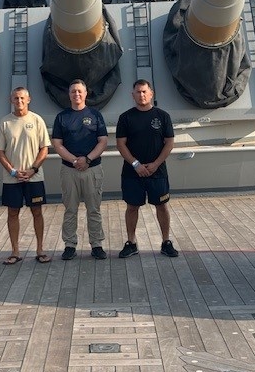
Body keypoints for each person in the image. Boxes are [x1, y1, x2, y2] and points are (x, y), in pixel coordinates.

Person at [116, 79, 179, 258]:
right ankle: (131, 242)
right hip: (132, 172)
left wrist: (155, 164)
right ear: (132, 95)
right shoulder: (126, 117)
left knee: (162, 206)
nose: (141, 95)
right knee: (132, 207)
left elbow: (169, 143)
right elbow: (121, 144)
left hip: (157, 172)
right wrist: (135, 164)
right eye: (138, 92)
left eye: (144, 91)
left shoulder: (163, 116)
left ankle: (166, 242)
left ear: (151, 93)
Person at [51, 79, 108, 260]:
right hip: (69, 170)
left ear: (85, 94)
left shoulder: (95, 115)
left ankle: (97, 244)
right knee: (70, 209)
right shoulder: (62, 117)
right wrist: (75, 160)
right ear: (69, 95)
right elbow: (57, 144)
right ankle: (69, 245)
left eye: (79, 91)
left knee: (94, 209)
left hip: (92, 169)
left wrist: (88, 159)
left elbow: (103, 141)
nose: (76, 94)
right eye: (73, 91)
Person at [0, 87, 51, 265]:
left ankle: (40, 249)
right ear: (11, 100)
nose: (19, 101)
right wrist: (12, 171)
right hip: (12, 178)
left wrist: (33, 169)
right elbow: (0, 152)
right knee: (12, 213)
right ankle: (15, 251)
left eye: (22, 98)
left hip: (34, 177)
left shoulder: (37, 120)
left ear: (29, 99)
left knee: (37, 212)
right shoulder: (4, 123)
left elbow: (44, 148)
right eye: (16, 98)